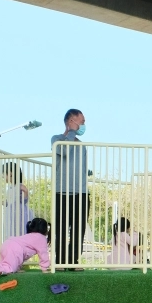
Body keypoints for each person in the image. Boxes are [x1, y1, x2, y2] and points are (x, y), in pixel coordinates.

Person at [51, 108, 88, 268]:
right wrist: (71, 132)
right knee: (60, 229)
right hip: (62, 193)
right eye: (82, 121)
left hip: (81, 193)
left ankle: (73, 261)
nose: (84, 125)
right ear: (71, 121)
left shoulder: (81, 145)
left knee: (78, 230)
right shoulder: (57, 139)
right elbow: (64, 151)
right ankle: (59, 262)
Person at [0, 217, 51, 285]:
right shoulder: (41, 238)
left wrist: (17, 268)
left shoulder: (29, 236)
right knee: (10, 268)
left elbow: (21, 256)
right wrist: (44, 269)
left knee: (5, 261)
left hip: (7, 243)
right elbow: (43, 254)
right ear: (45, 229)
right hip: (15, 248)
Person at [1, 162, 34, 239]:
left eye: (4, 173)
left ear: (10, 173)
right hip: (11, 215)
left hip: (19, 214)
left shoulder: (20, 186)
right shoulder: (10, 188)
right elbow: (8, 203)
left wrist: (26, 192)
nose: (3, 176)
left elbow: (24, 200)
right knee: (12, 232)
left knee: (19, 232)